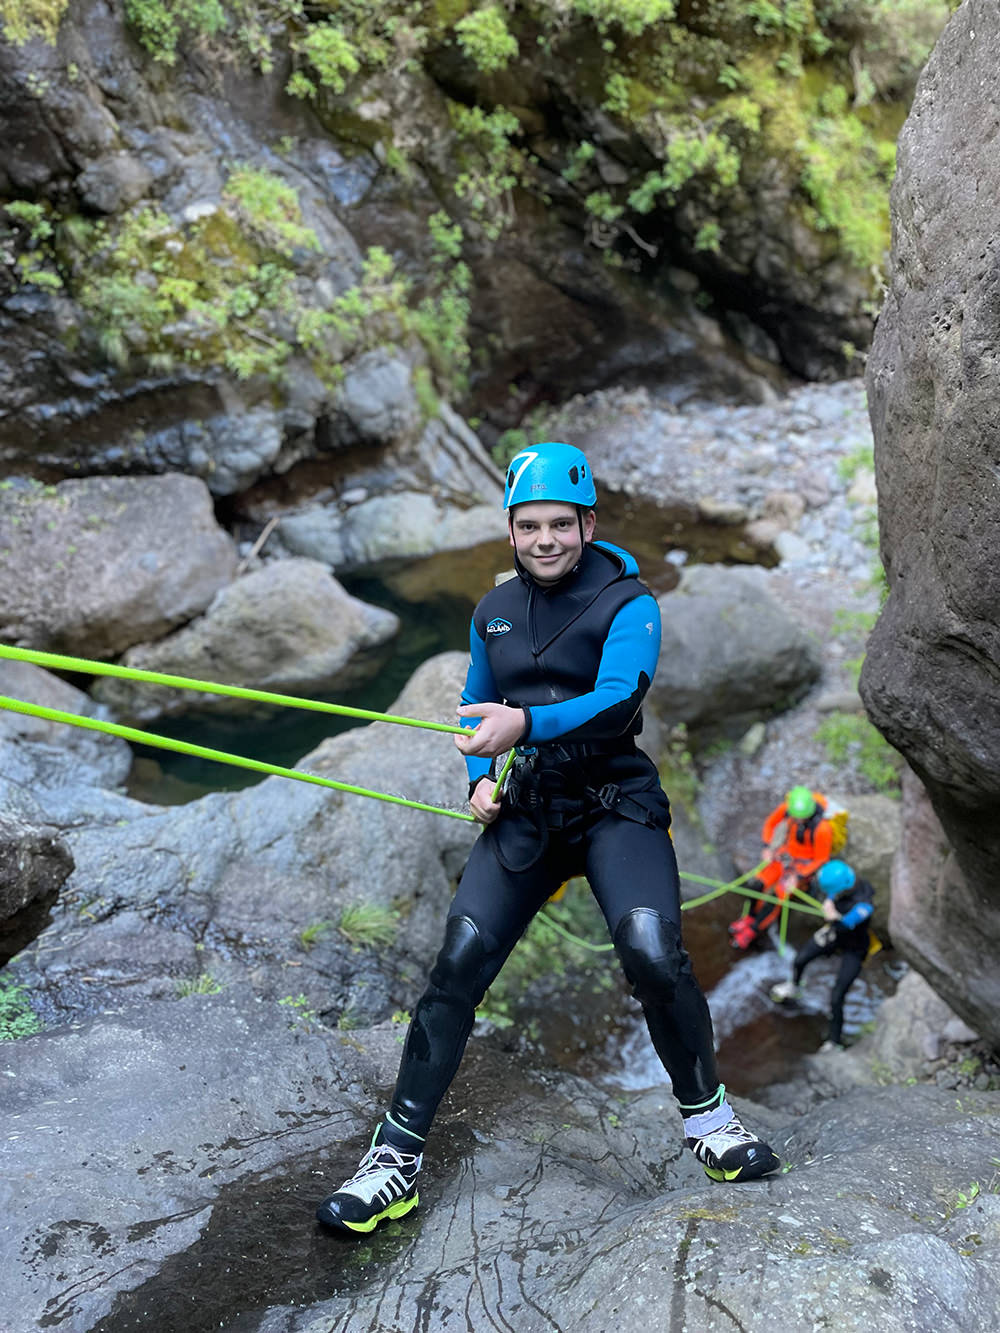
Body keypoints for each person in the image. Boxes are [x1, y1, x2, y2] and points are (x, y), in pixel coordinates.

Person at [316, 441, 780, 1236]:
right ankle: (394, 1161)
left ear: (588, 522)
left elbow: (615, 700)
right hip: (528, 807)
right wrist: (479, 781)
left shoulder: (629, 602)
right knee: (458, 960)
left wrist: (523, 723)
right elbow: (474, 706)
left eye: (560, 524)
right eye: (529, 526)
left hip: (612, 805)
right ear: (509, 528)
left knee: (649, 947)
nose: (545, 540)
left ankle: (708, 1121)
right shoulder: (492, 609)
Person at [769, 858, 874, 1051]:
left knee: (837, 996)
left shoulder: (863, 904)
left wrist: (833, 916)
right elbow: (815, 885)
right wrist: (796, 886)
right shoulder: (840, 882)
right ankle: (794, 986)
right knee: (800, 960)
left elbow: (847, 923)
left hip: (854, 945)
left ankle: (834, 1042)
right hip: (834, 934)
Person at [728, 786, 834, 950]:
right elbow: (770, 823)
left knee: (777, 896)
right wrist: (767, 847)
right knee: (757, 884)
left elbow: (821, 859)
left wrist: (798, 877)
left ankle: (754, 929)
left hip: (802, 867)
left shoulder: (822, 829)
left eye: (802, 819)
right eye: (796, 818)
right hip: (784, 856)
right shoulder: (788, 808)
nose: (798, 821)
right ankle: (750, 917)